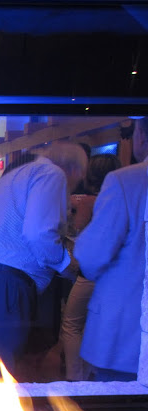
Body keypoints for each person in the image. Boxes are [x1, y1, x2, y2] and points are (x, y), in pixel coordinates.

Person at [0, 142, 87, 380]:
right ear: (73, 170)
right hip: (7, 284)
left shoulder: (13, 178)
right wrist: (68, 265)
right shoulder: (52, 174)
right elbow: (38, 234)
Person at [74, 118, 148, 381]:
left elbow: (92, 256)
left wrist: (82, 226)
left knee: (119, 402)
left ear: (141, 135)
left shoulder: (126, 181)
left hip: (126, 331)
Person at [59, 153, 121, 381]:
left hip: (90, 272)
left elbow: (77, 230)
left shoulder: (88, 201)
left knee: (71, 324)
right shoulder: (118, 198)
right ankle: (90, 373)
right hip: (114, 273)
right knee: (96, 323)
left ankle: (75, 378)